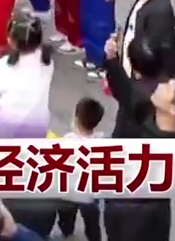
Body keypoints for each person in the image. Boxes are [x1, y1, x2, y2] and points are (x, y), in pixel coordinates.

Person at [101, 34, 175, 241]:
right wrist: (112, 60)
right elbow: (127, 91)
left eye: (170, 87)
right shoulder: (147, 111)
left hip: (139, 219)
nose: (163, 83)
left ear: (174, 109)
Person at [57, 97, 105, 241]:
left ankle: (67, 231)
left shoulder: (68, 140)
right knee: (92, 221)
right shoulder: (100, 141)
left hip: (69, 192)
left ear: (76, 118)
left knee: (66, 215)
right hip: (90, 194)